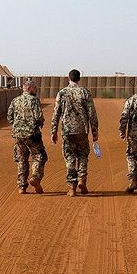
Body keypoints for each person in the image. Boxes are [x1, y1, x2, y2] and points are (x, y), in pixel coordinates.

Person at [51, 69, 99, 197]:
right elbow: (92, 113)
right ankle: (82, 179)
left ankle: (72, 187)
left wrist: (53, 130)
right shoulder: (84, 92)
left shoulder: (62, 93)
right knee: (83, 155)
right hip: (82, 130)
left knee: (70, 157)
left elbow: (56, 113)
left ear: (69, 78)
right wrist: (95, 131)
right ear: (79, 78)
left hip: (67, 131)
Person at [7, 80, 47, 194]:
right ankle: (35, 177)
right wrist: (40, 123)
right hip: (32, 134)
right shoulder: (34, 100)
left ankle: (22, 186)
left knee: (22, 159)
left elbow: (9, 117)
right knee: (39, 156)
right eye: (35, 88)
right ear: (29, 89)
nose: (36, 90)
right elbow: (39, 116)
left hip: (18, 135)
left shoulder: (15, 100)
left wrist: (18, 126)